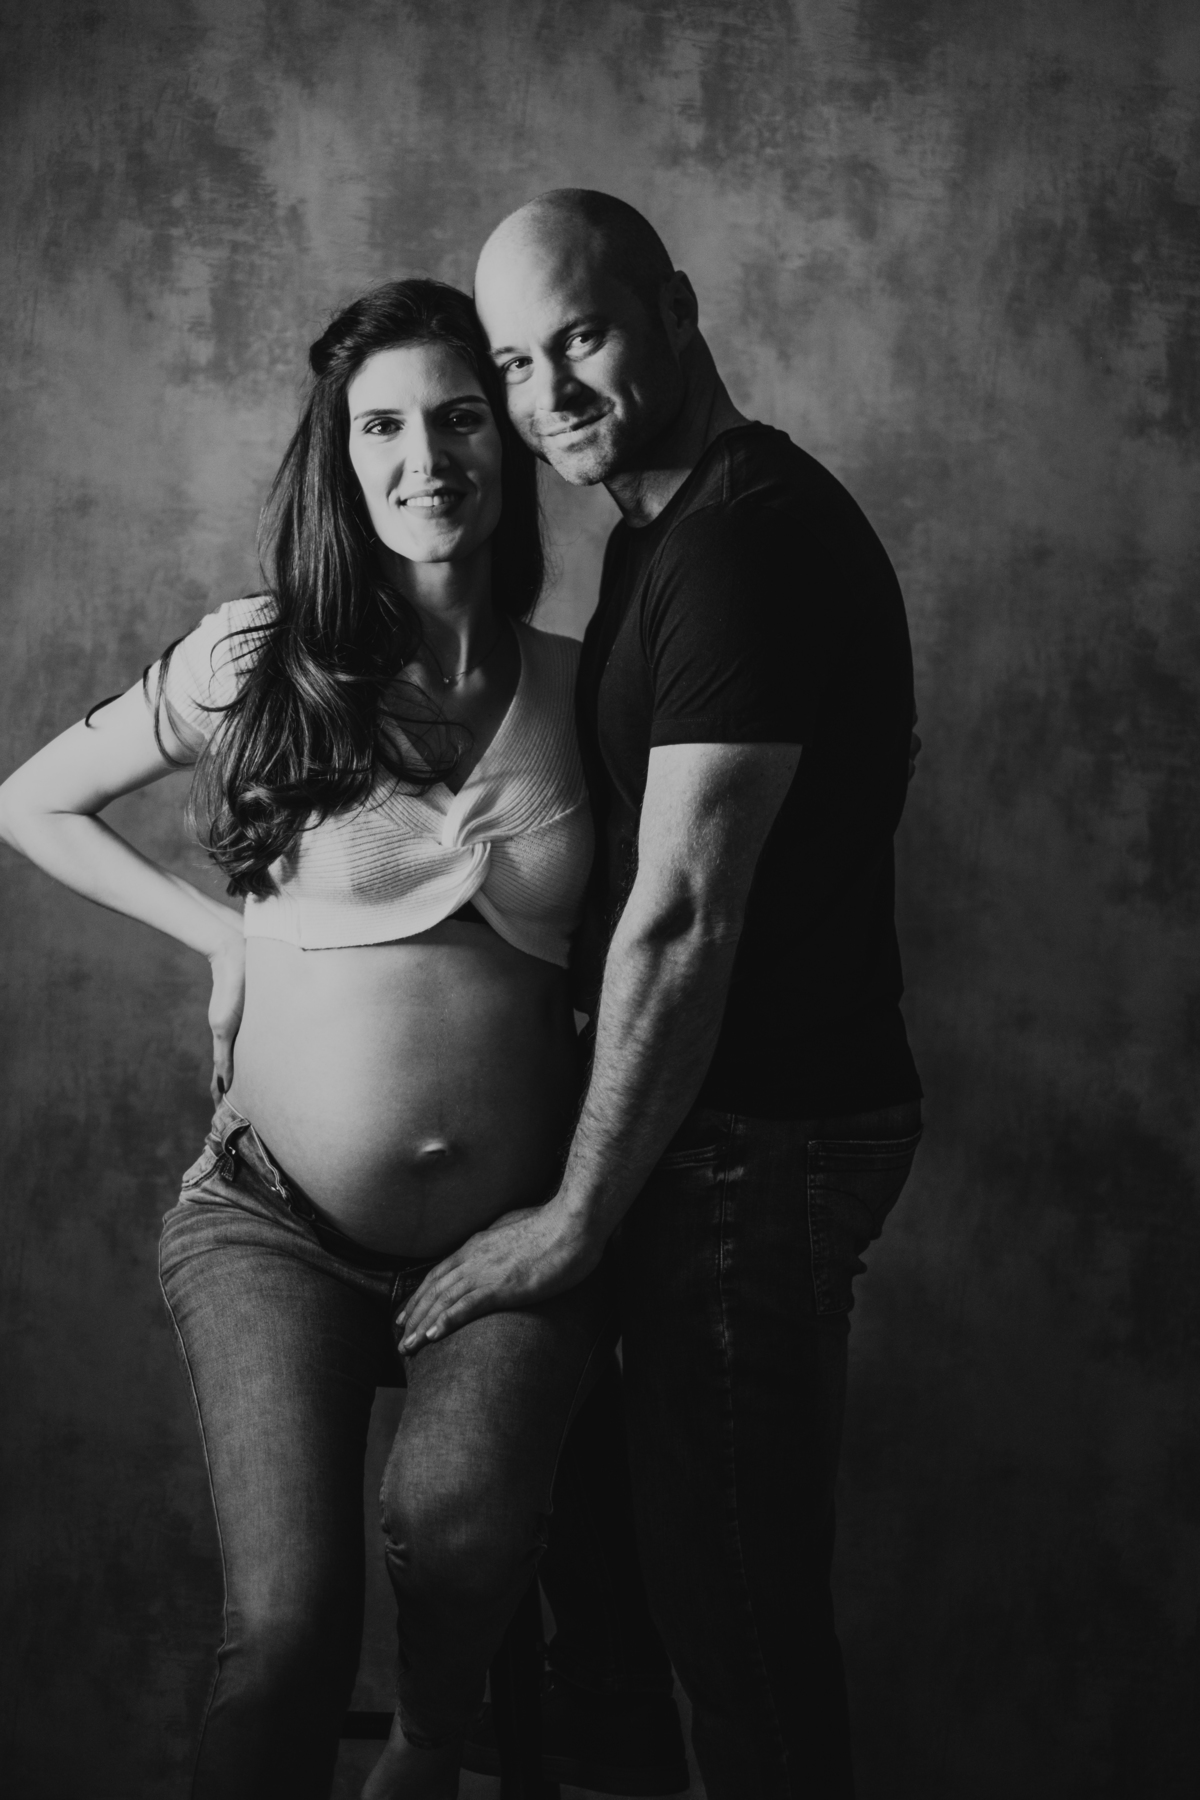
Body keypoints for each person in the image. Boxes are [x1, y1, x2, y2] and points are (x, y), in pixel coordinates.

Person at [0, 276, 676, 1800]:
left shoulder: (585, 684)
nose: (424, 458)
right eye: (382, 426)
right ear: (341, 452)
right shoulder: (261, 657)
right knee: (289, 1641)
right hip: (274, 1229)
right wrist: (220, 932)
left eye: (458, 418)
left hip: (513, 1238)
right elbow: (30, 802)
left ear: (505, 441)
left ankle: (435, 1737)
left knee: (458, 1528)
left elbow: (661, 923)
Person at [401, 191, 925, 1800]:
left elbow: (688, 912)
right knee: (622, 1606)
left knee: (740, 1636)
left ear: (677, 308)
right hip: (697, 1144)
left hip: (752, 1148)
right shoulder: (659, 533)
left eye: (583, 338)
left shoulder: (748, 539)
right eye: (515, 362)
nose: (549, 391)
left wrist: (572, 1218)